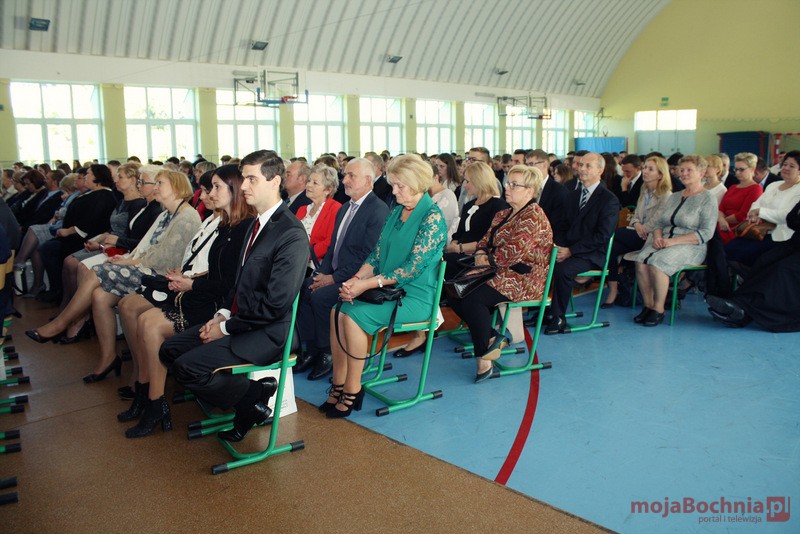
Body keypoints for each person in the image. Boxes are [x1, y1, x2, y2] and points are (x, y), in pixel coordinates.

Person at [158, 150, 309, 443]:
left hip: (267, 332)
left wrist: (225, 328)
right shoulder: (254, 223)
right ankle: (250, 397)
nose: (244, 186)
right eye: (243, 179)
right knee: (169, 350)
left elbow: (275, 305)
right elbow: (237, 284)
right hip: (240, 320)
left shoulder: (290, 233)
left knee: (186, 368)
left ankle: (249, 398)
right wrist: (222, 315)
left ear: (275, 181)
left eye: (252, 179)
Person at [117, 164, 256, 437]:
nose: (208, 194)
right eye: (209, 188)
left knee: (150, 325)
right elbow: (216, 272)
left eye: (215, 188)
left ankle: (155, 401)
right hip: (207, 295)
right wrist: (188, 278)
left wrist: (192, 282)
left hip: (217, 305)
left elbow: (229, 282)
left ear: (234, 191)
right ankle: (146, 392)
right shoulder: (226, 225)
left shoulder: (243, 227)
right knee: (141, 317)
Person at [26, 170, 201, 381]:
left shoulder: (186, 218)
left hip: (160, 278)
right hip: (147, 269)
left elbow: (163, 261)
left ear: (176, 187)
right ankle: (108, 358)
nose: (155, 187)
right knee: (100, 296)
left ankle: (61, 324)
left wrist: (127, 262)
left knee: (96, 271)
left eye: (160, 183)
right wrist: (127, 259)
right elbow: (146, 248)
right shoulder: (166, 214)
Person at [320, 154, 447, 418]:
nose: (394, 191)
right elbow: (376, 256)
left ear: (417, 184)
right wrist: (356, 280)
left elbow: (411, 268)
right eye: (393, 185)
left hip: (416, 297)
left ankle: (353, 388)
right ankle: (339, 382)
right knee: (336, 311)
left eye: (400, 185)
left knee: (352, 316)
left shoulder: (432, 218)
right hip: (388, 290)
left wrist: (366, 283)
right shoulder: (396, 212)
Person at [448, 165, 553, 382]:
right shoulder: (503, 213)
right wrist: (480, 253)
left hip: (524, 278)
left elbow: (514, 252)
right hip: (498, 271)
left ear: (530, 191)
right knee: (453, 290)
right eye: (507, 183)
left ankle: (483, 359)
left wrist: (486, 259)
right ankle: (491, 337)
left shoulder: (534, 215)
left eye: (514, 185)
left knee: (472, 297)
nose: (508, 188)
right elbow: (484, 240)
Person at [295, 158, 390, 378]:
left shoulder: (378, 210)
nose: (344, 180)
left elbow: (367, 257)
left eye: (351, 176)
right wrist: (322, 274)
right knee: (303, 288)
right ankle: (312, 349)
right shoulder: (346, 207)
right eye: (345, 174)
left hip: (358, 278)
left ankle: (327, 352)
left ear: (368, 180)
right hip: (336, 273)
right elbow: (333, 248)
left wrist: (333, 278)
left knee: (320, 297)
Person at [634, 155, 717, 326]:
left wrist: (672, 242)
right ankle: (648, 306)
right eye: (682, 170)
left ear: (701, 173)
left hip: (692, 245)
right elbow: (659, 223)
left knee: (657, 263)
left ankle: (658, 309)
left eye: (689, 170)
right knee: (640, 261)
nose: (684, 173)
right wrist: (658, 237)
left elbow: (706, 232)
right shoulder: (675, 196)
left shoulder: (707, 198)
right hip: (664, 240)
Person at [545, 152, 619, 334]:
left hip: (592, 253)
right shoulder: (573, 196)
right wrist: (559, 248)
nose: (582, 169)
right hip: (569, 249)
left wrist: (571, 250)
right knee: (543, 261)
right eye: (580, 165)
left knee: (563, 269)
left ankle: (558, 317)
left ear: (600, 170)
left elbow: (602, 236)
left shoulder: (609, 200)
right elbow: (562, 227)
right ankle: (544, 311)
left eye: (588, 166)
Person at [707, 198, 800, 332]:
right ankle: (740, 303)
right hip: (795, 244)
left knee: (783, 269)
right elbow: (791, 220)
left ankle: (745, 311)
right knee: (765, 261)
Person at [36, 164, 118, 301]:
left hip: (84, 238)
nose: (86, 177)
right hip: (75, 235)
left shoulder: (104, 195)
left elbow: (92, 221)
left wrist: (68, 231)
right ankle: (61, 294)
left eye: (88, 174)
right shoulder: (94, 193)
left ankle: (65, 296)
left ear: (97, 177)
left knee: (52, 250)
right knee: (49, 249)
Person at [724, 150, 800, 267]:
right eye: (785, 164)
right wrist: (754, 214)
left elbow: (787, 215)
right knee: (730, 248)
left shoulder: (798, 189)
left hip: (780, 236)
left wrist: (761, 212)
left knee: (745, 253)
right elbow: (756, 204)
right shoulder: (773, 185)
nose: (786, 168)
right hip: (758, 231)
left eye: (792, 166)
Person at [443, 162, 507, 279]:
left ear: (479, 181)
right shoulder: (469, 205)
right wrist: (453, 245)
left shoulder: (498, 205)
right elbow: (459, 233)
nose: (465, 186)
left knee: (444, 263)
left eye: (468, 181)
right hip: (461, 254)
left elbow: (490, 241)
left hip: (477, 258)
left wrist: (459, 248)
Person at [295, 164, 342, 272]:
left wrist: (303, 255)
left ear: (328, 190)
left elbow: (330, 242)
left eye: (315, 183)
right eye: (309, 181)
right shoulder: (302, 209)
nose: (308, 185)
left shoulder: (335, 209)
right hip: (296, 262)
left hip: (316, 267)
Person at [716, 153, 763, 244]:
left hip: (737, 229)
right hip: (722, 224)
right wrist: (721, 220)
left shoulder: (756, 189)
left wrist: (722, 221)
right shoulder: (732, 187)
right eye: (736, 169)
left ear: (752, 169)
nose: (737, 173)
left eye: (741, 169)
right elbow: (721, 208)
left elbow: (743, 215)